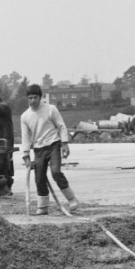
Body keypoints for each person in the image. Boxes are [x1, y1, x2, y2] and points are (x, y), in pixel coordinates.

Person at [20, 84, 79, 215]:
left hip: (53, 145)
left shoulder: (51, 109)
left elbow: (61, 126)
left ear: (40, 97)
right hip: (38, 149)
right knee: (39, 178)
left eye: (35, 97)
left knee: (55, 172)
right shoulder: (25, 116)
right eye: (30, 98)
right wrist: (26, 155)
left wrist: (65, 144)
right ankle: (43, 206)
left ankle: (71, 199)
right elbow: (25, 137)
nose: (32, 100)